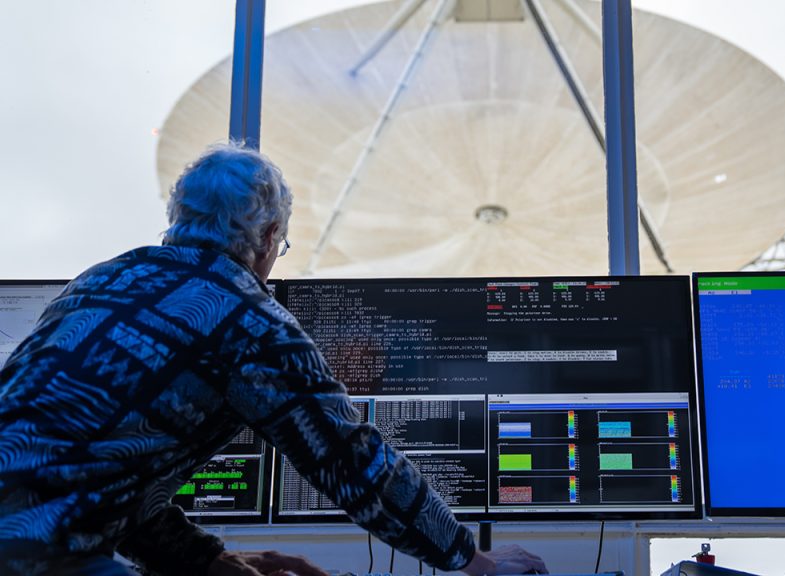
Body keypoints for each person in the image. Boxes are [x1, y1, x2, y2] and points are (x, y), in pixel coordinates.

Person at [0, 143, 548, 576]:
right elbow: (349, 459)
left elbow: (97, 474)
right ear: (267, 237)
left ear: (178, 217)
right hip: (35, 549)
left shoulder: (100, 280)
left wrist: (207, 561)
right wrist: (474, 561)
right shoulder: (247, 320)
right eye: (279, 246)